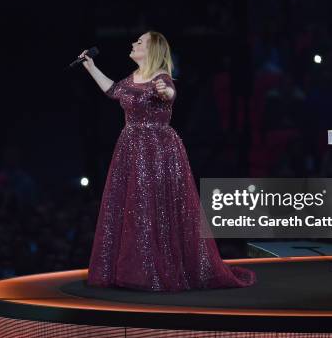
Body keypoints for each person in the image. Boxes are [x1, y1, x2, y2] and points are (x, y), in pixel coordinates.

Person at [80, 31, 256, 291]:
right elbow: (114, 90)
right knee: (133, 208)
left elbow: (169, 92)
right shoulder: (132, 78)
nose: (133, 43)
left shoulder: (161, 78)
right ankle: (133, 270)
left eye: (139, 42)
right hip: (130, 149)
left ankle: (156, 271)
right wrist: (91, 68)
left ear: (152, 50)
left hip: (158, 152)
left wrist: (166, 92)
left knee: (156, 208)